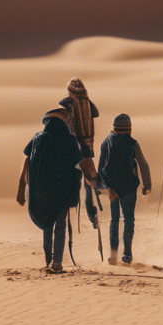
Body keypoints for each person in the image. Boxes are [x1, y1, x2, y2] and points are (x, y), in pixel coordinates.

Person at [18, 102, 98, 272]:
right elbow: (79, 161)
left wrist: (22, 185)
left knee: (47, 225)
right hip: (62, 189)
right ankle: (56, 264)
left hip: (41, 190)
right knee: (60, 225)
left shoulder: (37, 137)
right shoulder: (68, 139)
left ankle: (49, 261)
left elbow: (27, 159)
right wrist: (90, 178)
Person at [98, 114, 151, 265]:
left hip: (112, 189)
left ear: (114, 128)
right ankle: (127, 254)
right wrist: (147, 185)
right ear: (129, 128)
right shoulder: (133, 143)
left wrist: (103, 187)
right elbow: (144, 165)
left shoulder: (106, 142)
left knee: (114, 220)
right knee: (128, 219)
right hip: (129, 188)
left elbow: (100, 167)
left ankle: (113, 255)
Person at [61, 78, 101, 228]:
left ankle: (68, 212)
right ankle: (94, 213)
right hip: (87, 147)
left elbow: (65, 121)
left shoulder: (68, 103)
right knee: (89, 181)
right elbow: (95, 114)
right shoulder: (88, 103)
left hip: (73, 148)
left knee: (71, 179)